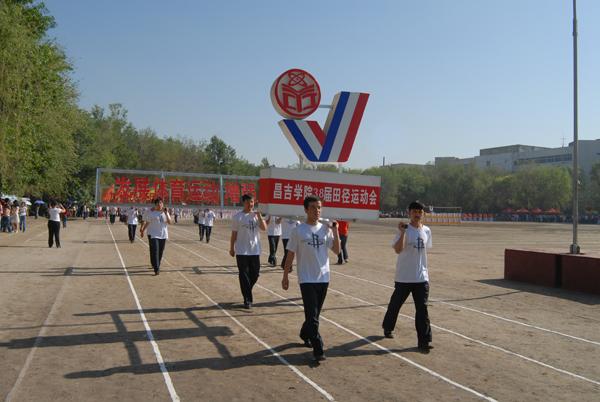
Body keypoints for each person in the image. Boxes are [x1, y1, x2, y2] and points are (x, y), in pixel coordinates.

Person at [282, 195, 340, 362]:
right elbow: (290, 254)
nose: (317, 210)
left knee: (314, 314)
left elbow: (337, 251)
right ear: (306, 209)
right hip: (306, 278)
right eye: (313, 207)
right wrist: (285, 276)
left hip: (323, 277)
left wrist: (335, 231)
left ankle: (304, 333)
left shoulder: (325, 229)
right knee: (312, 315)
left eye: (319, 207)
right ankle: (318, 348)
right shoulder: (298, 231)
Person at [382, 201, 433, 353]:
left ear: (423, 214)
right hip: (404, 277)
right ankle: (388, 327)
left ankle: (424, 341)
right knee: (395, 305)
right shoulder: (404, 229)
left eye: (420, 211)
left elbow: (424, 250)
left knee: (422, 309)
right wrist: (403, 232)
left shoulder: (427, 231)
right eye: (414, 211)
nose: (417, 214)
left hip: (421, 277)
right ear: (409, 213)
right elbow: (398, 250)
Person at [229, 194, 266, 309]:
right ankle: (247, 299)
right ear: (243, 202)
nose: (251, 204)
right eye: (248, 202)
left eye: (252, 202)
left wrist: (259, 216)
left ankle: (246, 290)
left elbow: (264, 228)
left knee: (255, 274)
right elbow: (234, 234)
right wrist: (232, 247)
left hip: (255, 250)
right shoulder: (237, 217)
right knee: (244, 275)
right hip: (241, 251)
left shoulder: (256, 215)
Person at [140, 198, 171, 275]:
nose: (160, 205)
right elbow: (147, 222)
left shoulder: (165, 212)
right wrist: (143, 230)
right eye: (158, 203)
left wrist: (166, 213)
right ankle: (156, 269)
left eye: (161, 203)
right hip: (153, 234)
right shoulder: (152, 213)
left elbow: (170, 222)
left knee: (160, 251)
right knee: (155, 251)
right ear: (155, 205)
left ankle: (156, 264)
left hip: (163, 235)